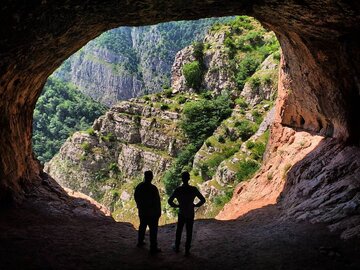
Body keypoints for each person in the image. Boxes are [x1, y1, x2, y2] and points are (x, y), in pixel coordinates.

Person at [168, 171, 206, 256]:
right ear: (189, 178)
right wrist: (195, 205)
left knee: (179, 230)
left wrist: (177, 206)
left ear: (182, 179)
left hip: (181, 212)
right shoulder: (193, 189)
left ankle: (177, 247)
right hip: (190, 212)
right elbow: (203, 200)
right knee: (189, 231)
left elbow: (169, 201)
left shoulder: (178, 190)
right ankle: (187, 250)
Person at [134, 170, 161, 254]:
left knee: (142, 226)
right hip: (152, 213)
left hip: (142, 211)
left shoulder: (139, 186)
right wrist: (158, 212)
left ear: (144, 177)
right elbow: (157, 201)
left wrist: (139, 205)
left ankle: (140, 242)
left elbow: (136, 196)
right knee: (153, 230)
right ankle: (153, 248)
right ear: (151, 177)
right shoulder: (153, 188)